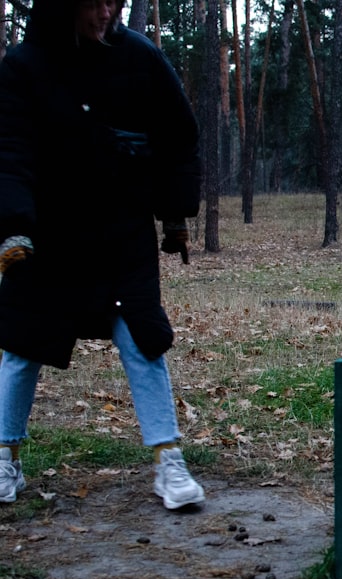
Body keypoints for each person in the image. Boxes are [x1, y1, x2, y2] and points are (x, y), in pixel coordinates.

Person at [0, 0, 205, 509]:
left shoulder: (140, 57)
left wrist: (175, 213)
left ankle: (168, 461)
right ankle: (5, 456)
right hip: (46, 237)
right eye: (95, 3)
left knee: (143, 340)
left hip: (121, 235)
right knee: (22, 346)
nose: (107, 13)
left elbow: (177, 135)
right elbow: (10, 149)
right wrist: (13, 227)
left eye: (114, 1)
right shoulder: (24, 66)